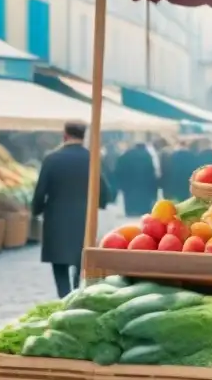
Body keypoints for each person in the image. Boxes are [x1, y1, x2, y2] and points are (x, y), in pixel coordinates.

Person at [32, 121, 111, 298]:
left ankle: (63, 296)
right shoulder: (91, 158)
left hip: (56, 219)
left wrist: (36, 211)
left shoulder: (51, 159)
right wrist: (98, 204)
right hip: (84, 217)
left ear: (65, 135)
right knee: (80, 260)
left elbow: (40, 192)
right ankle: (76, 294)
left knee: (59, 265)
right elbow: (105, 191)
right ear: (83, 136)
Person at [114, 142, 158, 217]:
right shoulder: (147, 156)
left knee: (130, 198)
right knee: (144, 198)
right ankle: (143, 210)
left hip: (129, 184)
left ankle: (131, 211)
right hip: (144, 184)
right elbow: (151, 171)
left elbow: (118, 168)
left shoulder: (127, 155)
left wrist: (120, 182)